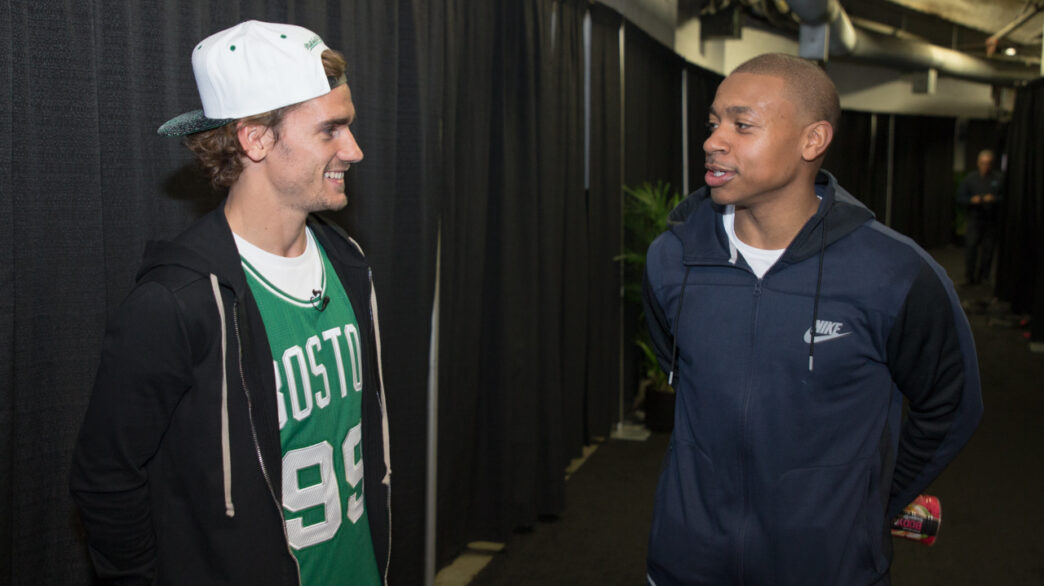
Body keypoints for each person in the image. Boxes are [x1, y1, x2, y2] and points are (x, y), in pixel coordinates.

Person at [642, 53, 982, 586]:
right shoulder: (671, 259)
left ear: (812, 140)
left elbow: (952, 403)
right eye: (713, 124)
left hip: (829, 568)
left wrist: (869, 502)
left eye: (742, 124)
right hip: (687, 563)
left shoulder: (896, 273)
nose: (713, 141)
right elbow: (678, 372)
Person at [70, 21, 391, 585]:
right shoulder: (177, 302)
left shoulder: (347, 262)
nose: (355, 150)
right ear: (256, 139)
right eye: (330, 131)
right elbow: (107, 479)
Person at [956, 149, 1004, 286]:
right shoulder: (970, 179)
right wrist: (972, 200)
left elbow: (1005, 198)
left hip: (991, 220)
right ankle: (969, 277)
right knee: (971, 247)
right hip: (974, 219)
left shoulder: (998, 179)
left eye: (988, 163)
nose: (985, 166)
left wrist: (993, 199)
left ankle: (984, 276)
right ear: (978, 163)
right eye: (983, 163)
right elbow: (960, 197)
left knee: (988, 250)